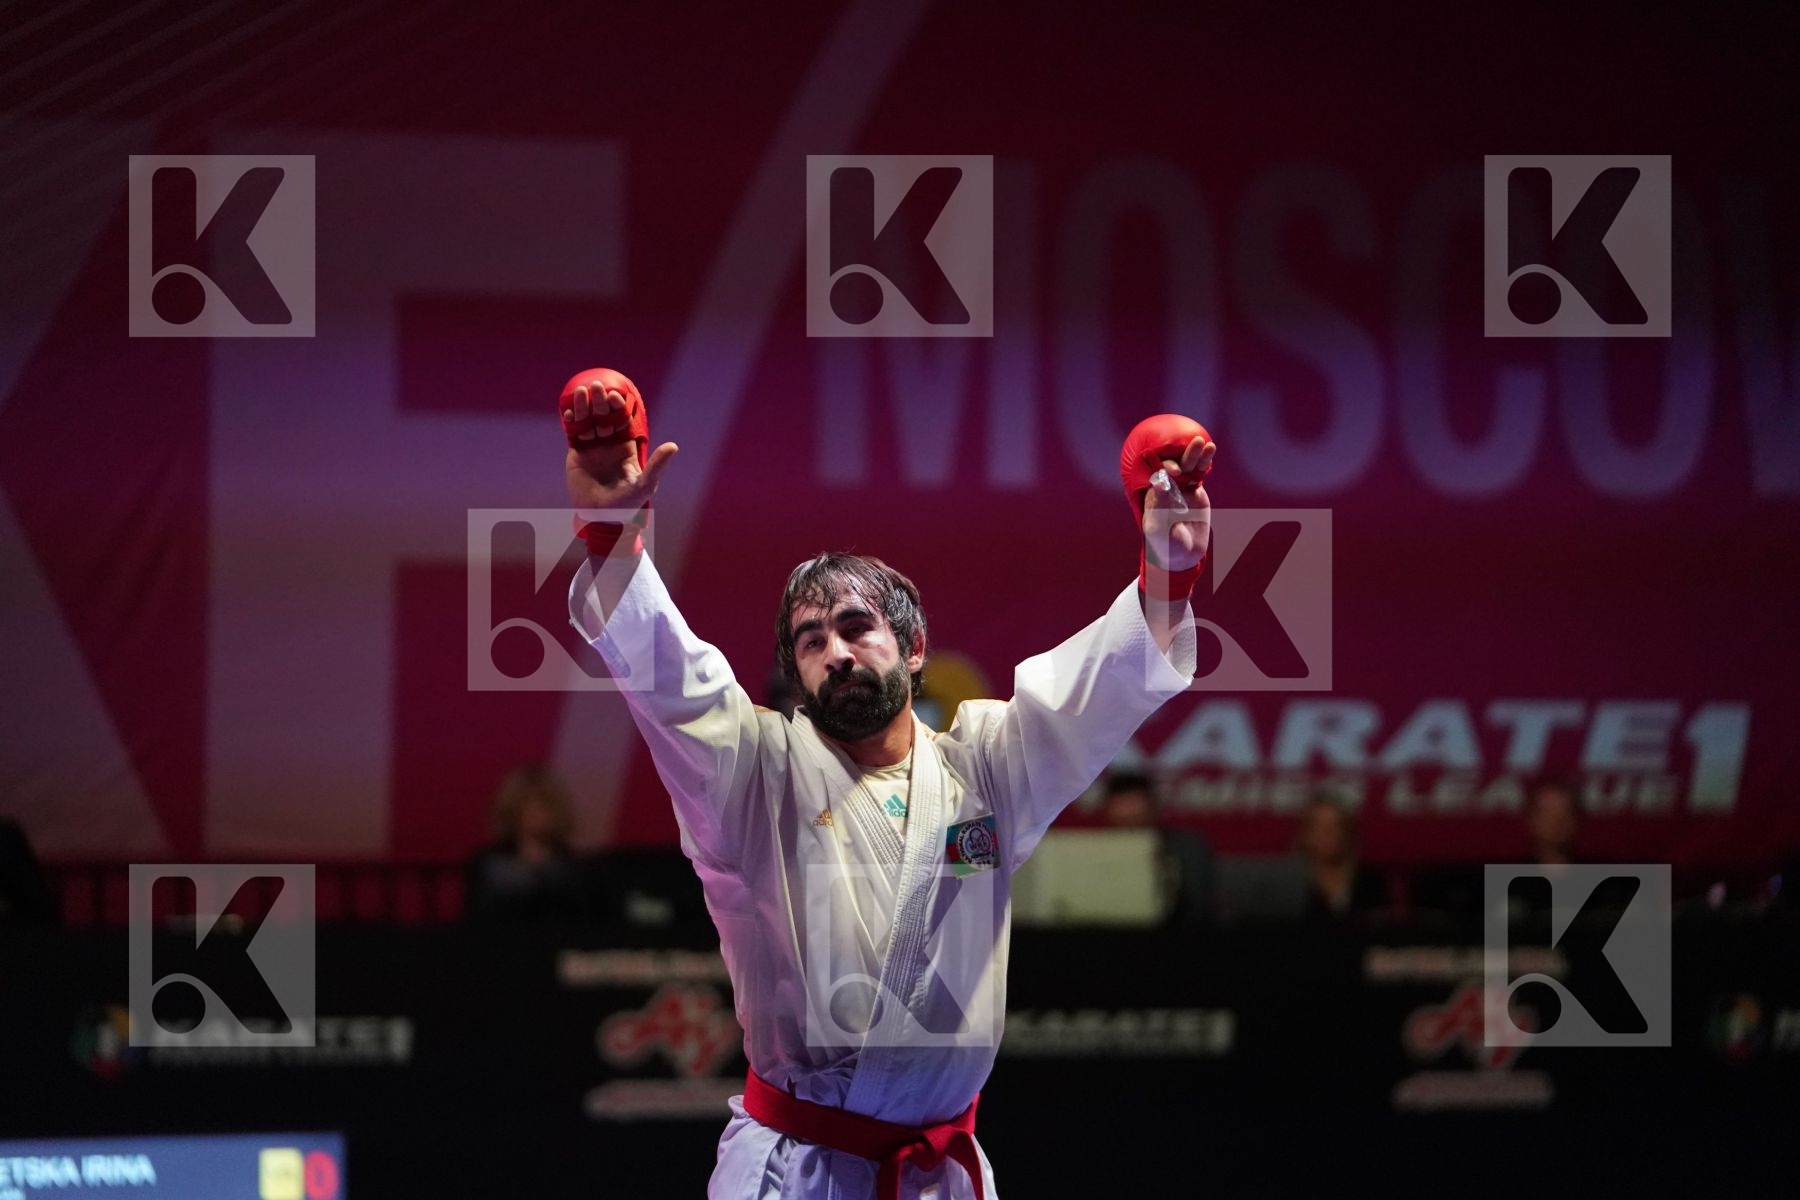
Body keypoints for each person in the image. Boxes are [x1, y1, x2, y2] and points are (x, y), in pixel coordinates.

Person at [558, 368, 1212, 1199]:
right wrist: (611, 537)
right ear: (796, 675)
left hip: (940, 1176)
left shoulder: (985, 768)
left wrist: (1167, 575)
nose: (834, 651)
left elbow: (1093, 697)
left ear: (912, 650)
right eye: (809, 640)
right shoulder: (754, 774)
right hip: (797, 1174)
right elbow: (671, 684)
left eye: (856, 626)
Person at [463, 763, 590, 924]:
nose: (536, 812)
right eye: (527, 804)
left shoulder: (575, 868)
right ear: (512, 809)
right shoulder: (489, 865)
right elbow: (475, 921)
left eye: (544, 805)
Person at [1294, 794, 1386, 922]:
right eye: (1319, 827)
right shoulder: (1291, 885)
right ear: (1306, 834)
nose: (1327, 834)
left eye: (1335, 826)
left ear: (1348, 831)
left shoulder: (1371, 882)